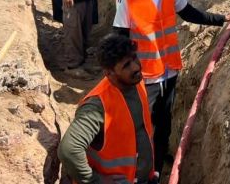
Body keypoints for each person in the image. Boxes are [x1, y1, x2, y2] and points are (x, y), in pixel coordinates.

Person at [113, 0, 230, 174]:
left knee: (164, 126)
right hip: (143, 76)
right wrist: (123, 75)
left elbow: (190, 14)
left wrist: (224, 18)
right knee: (141, 128)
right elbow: (119, 38)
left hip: (168, 71)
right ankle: (138, 173)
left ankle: (157, 168)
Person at [58, 33, 158, 184]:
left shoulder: (135, 82)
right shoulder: (97, 105)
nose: (136, 67)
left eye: (134, 58)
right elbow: (69, 150)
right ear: (109, 73)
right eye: (126, 65)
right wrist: (97, 181)